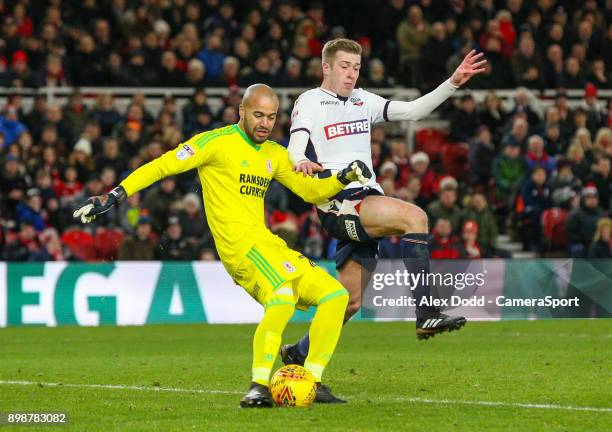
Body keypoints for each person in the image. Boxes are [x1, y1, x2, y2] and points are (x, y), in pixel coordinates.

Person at [73, 84, 371, 407]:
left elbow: (310, 191)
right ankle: (258, 385)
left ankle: (311, 379)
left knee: (336, 296)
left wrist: (344, 177)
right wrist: (115, 194)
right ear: (240, 111)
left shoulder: (274, 153)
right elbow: (162, 165)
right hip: (240, 249)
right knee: (282, 297)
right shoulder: (215, 143)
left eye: (271, 117)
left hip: (269, 245)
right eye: (258, 115)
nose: (264, 123)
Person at [282, 38, 485, 364]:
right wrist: (299, 160)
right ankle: (426, 313)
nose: (351, 74)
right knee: (415, 218)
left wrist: (453, 83)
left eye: (357, 68)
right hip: (339, 199)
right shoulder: (311, 101)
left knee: (347, 303)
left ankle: (298, 353)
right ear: (327, 67)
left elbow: (414, 111)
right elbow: (296, 142)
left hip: (364, 201)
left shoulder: (364, 100)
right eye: (345, 67)